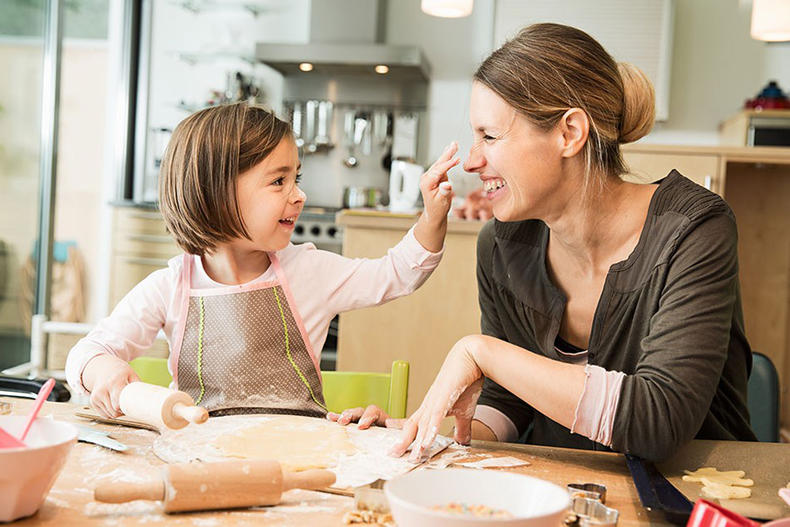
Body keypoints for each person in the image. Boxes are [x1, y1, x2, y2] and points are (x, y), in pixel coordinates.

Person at [329, 23, 756, 462]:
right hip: (567, 493)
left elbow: (659, 421)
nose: (473, 161)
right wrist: (420, 434)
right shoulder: (502, 245)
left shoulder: (693, 229)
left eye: (489, 137)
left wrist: (480, 351)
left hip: (701, 501)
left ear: (569, 133)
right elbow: (509, 402)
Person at [66, 102, 458, 418]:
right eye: (278, 181)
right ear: (216, 193)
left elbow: (397, 274)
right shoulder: (170, 287)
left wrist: (432, 216)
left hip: (297, 465)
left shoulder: (307, 271)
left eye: (296, 179)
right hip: (203, 462)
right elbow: (86, 352)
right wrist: (104, 369)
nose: (299, 194)